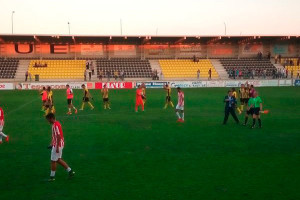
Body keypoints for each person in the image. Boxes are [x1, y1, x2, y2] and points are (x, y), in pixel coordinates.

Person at [46, 113, 75, 181]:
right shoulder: (56, 123)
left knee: (53, 161)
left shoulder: (55, 125)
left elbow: (58, 136)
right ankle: (70, 172)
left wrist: (57, 148)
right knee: (58, 160)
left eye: (48, 120)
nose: (48, 121)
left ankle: (52, 177)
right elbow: (55, 136)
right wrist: (51, 143)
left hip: (58, 145)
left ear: (51, 118)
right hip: (57, 144)